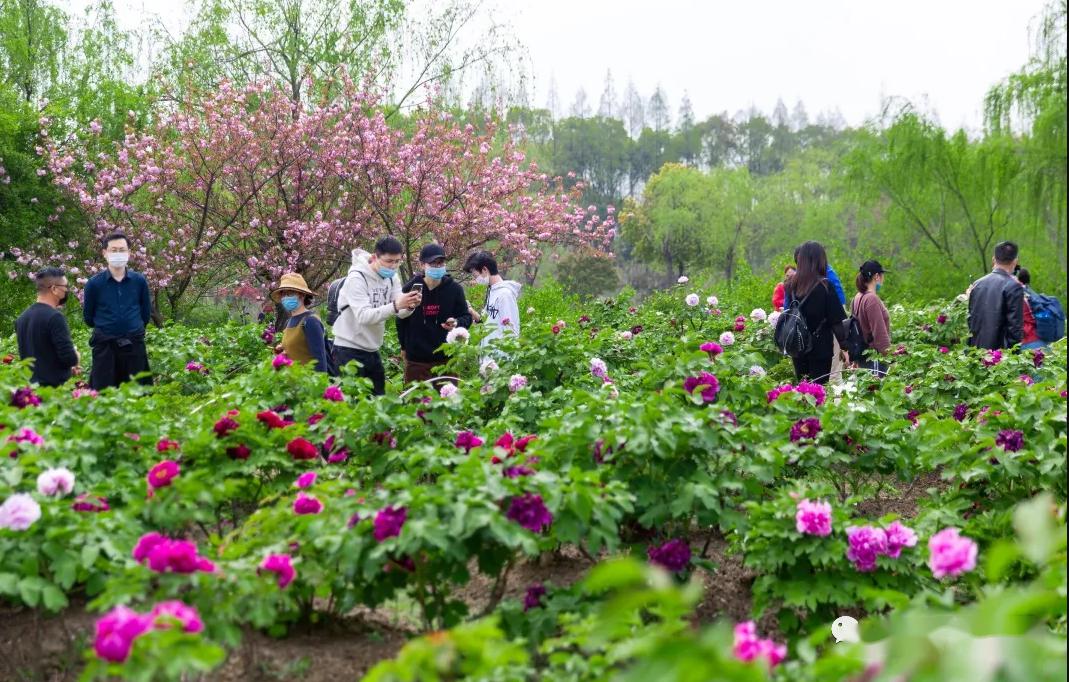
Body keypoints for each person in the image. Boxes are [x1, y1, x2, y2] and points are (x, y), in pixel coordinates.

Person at [332, 237, 420, 395]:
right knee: (350, 404)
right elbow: (363, 316)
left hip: (372, 349)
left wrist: (410, 305)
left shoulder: (392, 278)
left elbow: (400, 311)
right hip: (348, 349)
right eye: (389, 261)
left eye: (397, 261)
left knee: (378, 401)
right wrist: (396, 305)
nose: (393, 266)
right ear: (374, 257)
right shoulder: (357, 278)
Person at [82, 232, 152, 390]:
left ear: (129, 253)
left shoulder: (139, 281)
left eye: (122, 250)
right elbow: (88, 317)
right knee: (104, 395)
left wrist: (132, 328)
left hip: (134, 346)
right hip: (105, 348)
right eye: (114, 250)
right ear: (105, 253)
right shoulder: (94, 284)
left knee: (138, 394)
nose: (118, 254)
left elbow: (145, 314)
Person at [397, 243, 472, 385]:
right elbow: (400, 320)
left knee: (448, 405)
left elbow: (466, 317)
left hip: (446, 361)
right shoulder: (411, 288)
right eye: (433, 263)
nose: (437, 267)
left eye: (441, 263)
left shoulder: (454, 289)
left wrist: (456, 323)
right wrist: (403, 347)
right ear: (422, 265)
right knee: (417, 405)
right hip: (417, 361)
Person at [783, 241, 848, 385]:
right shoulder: (825, 286)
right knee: (818, 390)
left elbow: (786, 311)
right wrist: (845, 347)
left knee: (802, 388)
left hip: (798, 347)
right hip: (820, 348)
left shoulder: (790, 285)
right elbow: (837, 322)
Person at [15, 267, 80, 387]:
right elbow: (69, 358)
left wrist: (66, 370)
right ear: (54, 289)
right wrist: (76, 355)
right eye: (65, 287)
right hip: (53, 392)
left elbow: (40, 356)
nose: (67, 291)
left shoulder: (22, 318)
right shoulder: (55, 317)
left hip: (30, 390)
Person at [967, 241, 1024, 350]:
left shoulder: (977, 284)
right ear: (1015, 262)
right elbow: (1015, 329)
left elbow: (971, 320)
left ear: (994, 259)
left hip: (975, 352)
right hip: (999, 356)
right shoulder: (1014, 287)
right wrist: (1015, 356)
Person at [271, 273, 330, 373]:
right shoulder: (289, 321)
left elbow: (320, 362)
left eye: (289, 294)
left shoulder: (311, 321)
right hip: (293, 382)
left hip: (307, 383)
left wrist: (319, 386)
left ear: (302, 295)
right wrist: (281, 352)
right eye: (283, 294)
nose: (285, 298)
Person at [461, 250, 522, 346]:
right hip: (489, 357)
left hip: (499, 358)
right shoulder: (492, 291)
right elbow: (490, 322)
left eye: (475, 275)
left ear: (485, 270)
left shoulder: (505, 295)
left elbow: (511, 332)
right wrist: (471, 311)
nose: (475, 280)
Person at [850, 260, 891, 376]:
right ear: (877, 276)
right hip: (875, 357)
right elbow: (879, 333)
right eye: (882, 275)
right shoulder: (872, 299)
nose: (883, 279)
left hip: (862, 357)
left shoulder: (857, 297)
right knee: (877, 391)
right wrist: (890, 357)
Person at [1015, 268, 1045, 350]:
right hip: (1041, 337)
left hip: (1029, 340)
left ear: (1018, 279)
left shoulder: (1019, 294)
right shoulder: (1033, 293)